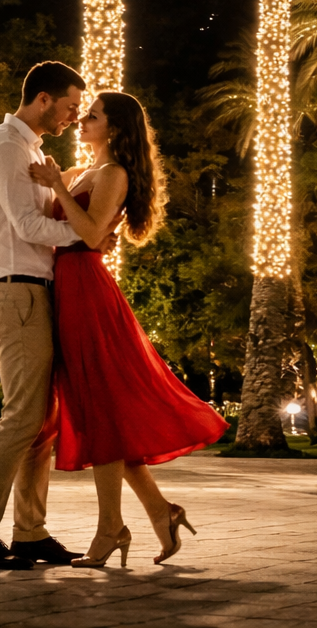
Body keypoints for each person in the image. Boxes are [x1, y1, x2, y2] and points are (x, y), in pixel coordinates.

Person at [30, 92, 228, 567]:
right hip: (68, 289)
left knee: (101, 412)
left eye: (92, 116)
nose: (82, 120)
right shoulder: (84, 172)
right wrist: (61, 183)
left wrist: (58, 187)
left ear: (115, 130)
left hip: (87, 293)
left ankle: (110, 530)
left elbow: (94, 234)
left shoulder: (111, 173)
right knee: (107, 415)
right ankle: (160, 513)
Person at [0, 61, 112, 571]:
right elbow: (26, 224)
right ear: (42, 99)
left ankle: (29, 532)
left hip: (33, 292)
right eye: (68, 107)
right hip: (14, 292)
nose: (72, 118)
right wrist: (86, 236)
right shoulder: (4, 147)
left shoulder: (33, 152)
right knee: (22, 415)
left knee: (40, 420)